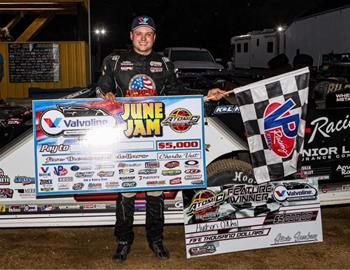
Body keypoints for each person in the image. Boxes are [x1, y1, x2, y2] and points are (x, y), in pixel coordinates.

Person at [97, 15, 227, 263]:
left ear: (154, 37)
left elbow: (179, 94)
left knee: (155, 192)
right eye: (139, 33)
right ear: (131, 36)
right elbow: (101, 87)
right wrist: (108, 93)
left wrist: (206, 95)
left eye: (148, 34)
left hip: (156, 137)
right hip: (125, 137)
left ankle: (156, 239)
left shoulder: (164, 64)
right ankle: (124, 241)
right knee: (126, 193)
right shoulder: (114, 61)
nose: (143, 38)